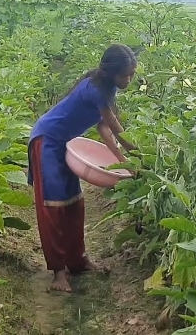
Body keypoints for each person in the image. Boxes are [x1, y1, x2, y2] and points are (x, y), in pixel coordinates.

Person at [27, 44, 138, 292]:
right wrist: (139, 157)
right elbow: (117, 129)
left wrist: (125, 163)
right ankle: (58, 272)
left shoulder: (108, 88)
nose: (128, 80)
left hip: (64, 142)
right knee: (53, 206)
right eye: (125, 75)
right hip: (46, 141)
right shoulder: (95, 90)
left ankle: (78, 261)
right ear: (111, 72)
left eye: (132, 74)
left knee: (75, 203)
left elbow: (104, 130)